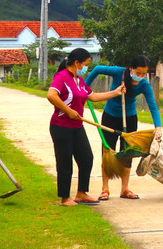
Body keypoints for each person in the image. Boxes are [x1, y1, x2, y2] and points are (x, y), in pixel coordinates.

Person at [47, 48, 124, 207]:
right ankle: (65, 198)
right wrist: (68, 110)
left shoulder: (79, 80)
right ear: (77, 63)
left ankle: (81, 193)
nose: (86, 67)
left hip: (77, 126)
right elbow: (51, 95)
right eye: (86, 64)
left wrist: (115, 92)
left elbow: (93, 96)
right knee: (65, 163)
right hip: (61, 127)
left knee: (86, 158)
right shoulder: (61, 77)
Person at [84, 54, 163, 201]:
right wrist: (83, 89)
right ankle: (105, 189)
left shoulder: (144, 85)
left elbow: (152, 106)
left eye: (143, 74)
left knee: (128, 153)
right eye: (138, 72)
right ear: (131, 68)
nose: (140, 76)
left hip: (130, 118)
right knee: (108, 151)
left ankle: (125, 189)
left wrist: (158, 127)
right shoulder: (118, 72)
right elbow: (97, 69)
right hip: (109, 117)